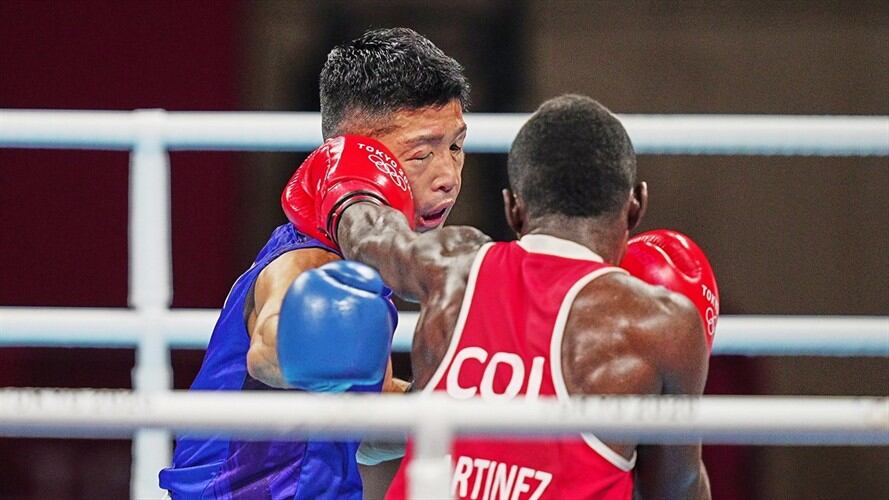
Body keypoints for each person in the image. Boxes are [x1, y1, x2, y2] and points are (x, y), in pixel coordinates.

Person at [285, 94, 717, 499]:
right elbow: (673, 491)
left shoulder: (451, 266)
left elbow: (369, 234)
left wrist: (342, 170)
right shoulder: (661, 324)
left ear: (513, 209)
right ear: (636, 205)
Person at [158, 27, 470, 499]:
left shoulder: (363, 270)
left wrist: (463, 411)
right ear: (359, 163)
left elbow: (363, 433)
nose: (447, 175)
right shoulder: (306, 262)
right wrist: (315, 347)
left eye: (456, 147)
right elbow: (269, 352)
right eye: (421, 154)